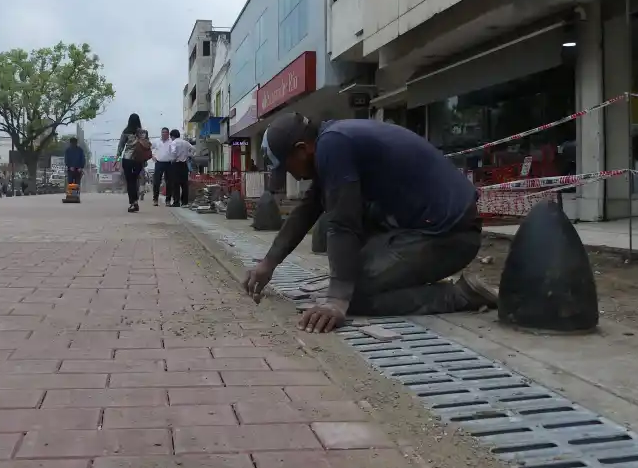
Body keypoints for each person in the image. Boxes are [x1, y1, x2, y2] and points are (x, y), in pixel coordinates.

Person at [243, 112, 497, 334]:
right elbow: (308, 209)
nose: (293, 175)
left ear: (302, 149)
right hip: (426, 229)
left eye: (289, 168)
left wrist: (337, 301)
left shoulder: (333, 144)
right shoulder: (333, 139)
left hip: (449, 234)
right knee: (350, 276)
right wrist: (268, 263)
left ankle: (460, 296)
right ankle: (405, 283)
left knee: (354, 295)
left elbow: (343, 223)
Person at [115, 113, 151, 213]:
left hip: (127, 159)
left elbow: (121, 146)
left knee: (130, 181)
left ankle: (133, 202)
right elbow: (147, 147)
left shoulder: (126, 132)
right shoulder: (144, 133)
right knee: (135, 180)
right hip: (138, 160)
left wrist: (117, 158)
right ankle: (135, 200)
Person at [168, 129, 194, 207]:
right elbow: (193, 149)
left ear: (172, 136)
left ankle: (176, 202)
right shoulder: (185, 142)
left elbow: (173, 152)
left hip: (176, 164)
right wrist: (188, 155)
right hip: (184, 165)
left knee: (176, 184)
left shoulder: (174, 142)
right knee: (184, 184)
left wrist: (174, 158)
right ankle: (184, 202)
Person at [151, 127, 173, 206]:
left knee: (169, 182)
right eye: (162, 132)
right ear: (161, 133)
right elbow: (149, 148)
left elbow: (175, 151)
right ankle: (155, 200)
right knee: (156, 181)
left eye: (165, 132)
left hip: (169, 163)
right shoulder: (156, 141)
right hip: (159, 163)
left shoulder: (171, 142)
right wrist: (152, 156)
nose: (164, 133)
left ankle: (168, 201)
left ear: (168, 134)